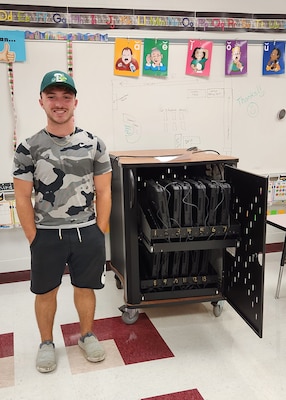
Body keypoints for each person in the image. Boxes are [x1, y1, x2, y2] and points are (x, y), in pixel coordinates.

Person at [12, 70, 112, 373]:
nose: (59, 103)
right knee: (45, 292)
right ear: (41, 101)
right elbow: (21, 198)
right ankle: (46, 343)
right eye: (52, 96)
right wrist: (34, 237)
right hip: (46, 234)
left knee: (85, 288)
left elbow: (105, 191)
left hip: (86, 231)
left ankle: (86, 335)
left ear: (75, 101)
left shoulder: (94, 143)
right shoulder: (27, 148)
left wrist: (100, 231)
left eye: (65, 96)